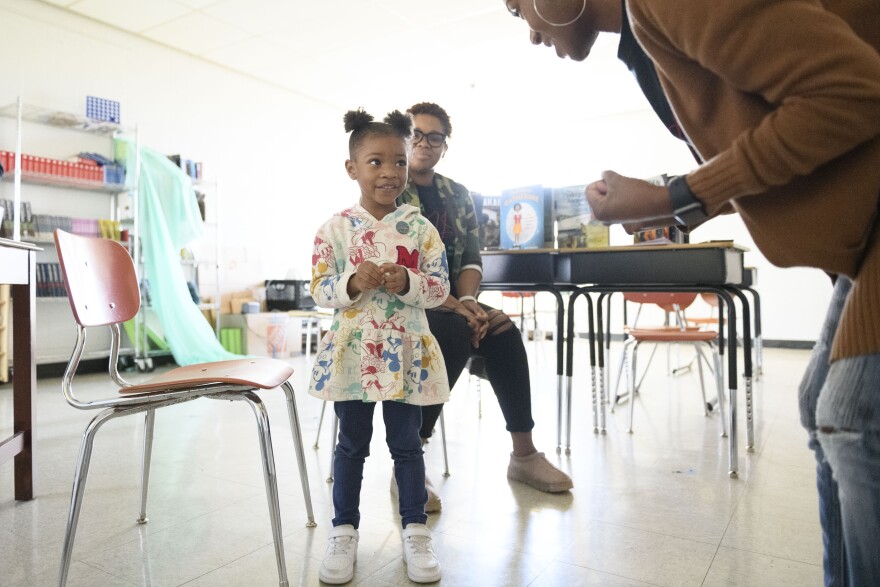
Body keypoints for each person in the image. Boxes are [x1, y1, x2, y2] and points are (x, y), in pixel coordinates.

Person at [502, 1, 880, 585]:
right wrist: (677, 201)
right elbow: (774, 129)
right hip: (864, 233)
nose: (527, 30)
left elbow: (850, 94)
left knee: (853, 418)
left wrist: (674, 197)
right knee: (824, 408)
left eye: (516, 4)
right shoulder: (646, 36)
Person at [396, 101, 574, 510]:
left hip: (454, 303)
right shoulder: (388, 184)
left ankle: (524, 455)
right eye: (415, 134)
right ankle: (409, 460)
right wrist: (457, 309)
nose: (424, 143)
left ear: (445, 145)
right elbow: (397, 266)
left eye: (434, 136)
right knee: (453, 331)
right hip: (402, 310)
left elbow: (472, 258)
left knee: (502, 330)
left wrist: (470, 302)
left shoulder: (457, 195)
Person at [308, 108, 450, 584]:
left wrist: (407, 279)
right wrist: (351, 282)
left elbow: (437, 290)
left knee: (407, 446)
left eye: (398, 162)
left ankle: (415, 530)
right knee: (351, 446)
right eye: (375, 162)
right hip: (354, 356)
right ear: (352, 168)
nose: (389, 172)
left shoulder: (422, 229)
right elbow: (320, 289)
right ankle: (343, 530)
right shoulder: (334, 229)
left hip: (406, 354)